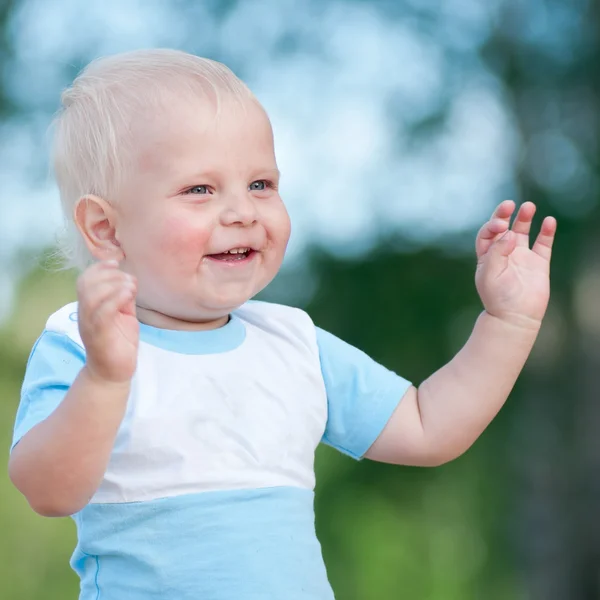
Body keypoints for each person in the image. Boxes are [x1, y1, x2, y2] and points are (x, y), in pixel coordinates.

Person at [8, 49, 557, 600]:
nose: (243, 211)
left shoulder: (291, 344)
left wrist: (508, 320)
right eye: (200, 189)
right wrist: (104, 380)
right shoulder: (85, 344)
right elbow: (49, 491)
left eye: (262, 184)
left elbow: (428, 427)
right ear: (106, 229)